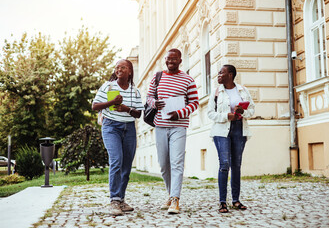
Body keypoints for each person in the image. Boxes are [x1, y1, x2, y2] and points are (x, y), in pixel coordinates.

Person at [146, 48, 199, 214]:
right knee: (163, 165)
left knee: (176, 162)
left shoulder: (188, 80)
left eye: (174, 59)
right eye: (168, 59)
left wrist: (180, 113)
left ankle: (175, 199)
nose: (170, 61)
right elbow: (148, 98)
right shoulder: (157, 77)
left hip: (179, 125)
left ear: (180, 61)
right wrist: (155, 103)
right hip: (160, 125)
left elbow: (195, 102)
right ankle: (170, 194)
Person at [92, 59, 144, 216]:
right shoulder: (108, 86)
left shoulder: (134, 91)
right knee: (116, 160)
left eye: (123, 67)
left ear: (129, 71)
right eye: (116, 68)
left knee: (127, 165)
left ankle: (121, 199)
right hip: (111, 127)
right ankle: (114, 200)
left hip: (129, 128)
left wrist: (127, 108)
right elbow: (94, 106)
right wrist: (111, 102)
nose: (119, 70)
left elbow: (138, 113)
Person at [207, 64, 255, 213]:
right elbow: (210, 113)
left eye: (222, 73)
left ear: (230, 75)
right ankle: (222, 202)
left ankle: (235, 200)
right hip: (221, 131)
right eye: (219, 73)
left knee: (236, 165)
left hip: (239, 129)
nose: (218, 75)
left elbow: (252, 110)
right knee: (224, 164)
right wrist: (226, 116)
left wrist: (243, 111)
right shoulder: (216, 92)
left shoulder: (243, 91)